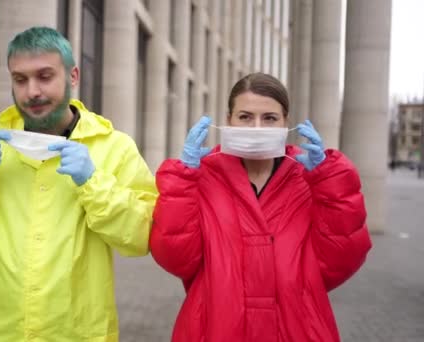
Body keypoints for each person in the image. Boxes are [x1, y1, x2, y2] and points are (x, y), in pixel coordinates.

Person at [0, 26, 158, 341]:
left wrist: (94, 183)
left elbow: (142, 237)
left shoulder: (115, 148)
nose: (31, 91)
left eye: (45, 76)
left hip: (78, 334)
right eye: (20, 79)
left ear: (73, 77)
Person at [149, 73, 372, 341]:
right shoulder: (201, 178)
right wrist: (182, 182)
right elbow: (177, 260)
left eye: (269, 118)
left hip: (296, 329)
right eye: (245, 117)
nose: (257, 128)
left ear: (285, 123)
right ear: (228, 120)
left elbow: (339, 261)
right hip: (216, 328)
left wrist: (330, 181)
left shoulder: (309, 178)